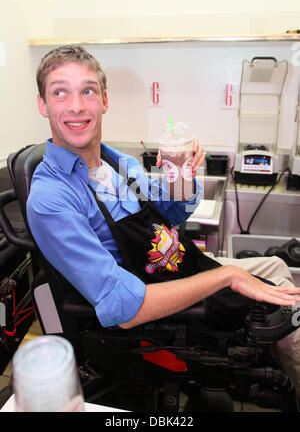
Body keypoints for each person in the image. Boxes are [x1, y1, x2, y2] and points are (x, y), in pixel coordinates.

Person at [27, 45, 300, 395]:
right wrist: (226, 276)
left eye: (88, 91)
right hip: (150, 305)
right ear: (43, 105)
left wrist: (181, 174)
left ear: (104, 101)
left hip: (177, 264)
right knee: (280, 301)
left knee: (277, 267)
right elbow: (124, 307)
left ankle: (282, 370)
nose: (77, 106)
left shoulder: (117, 163)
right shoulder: (52, 198)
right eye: (60, 92)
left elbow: (171, 215)